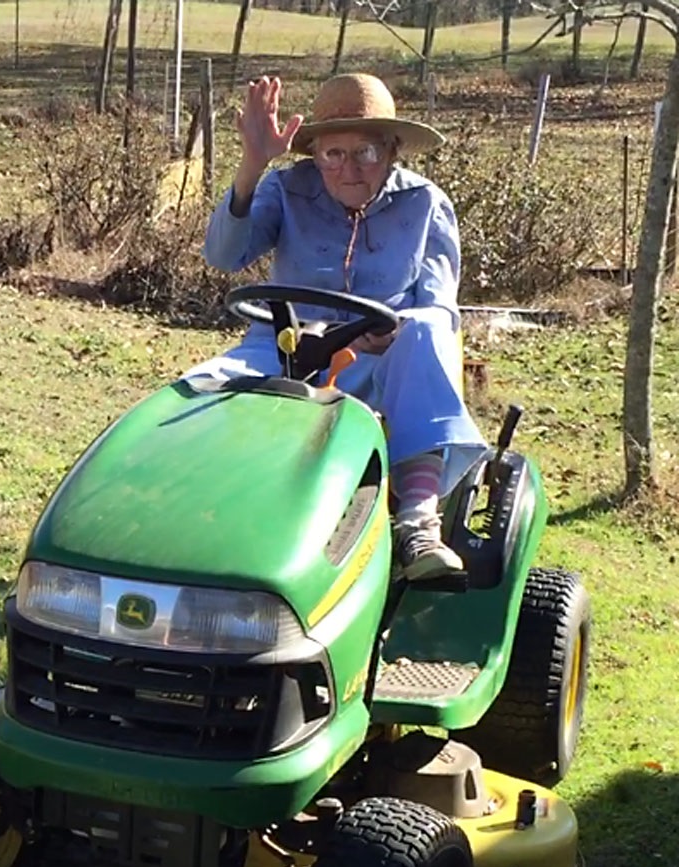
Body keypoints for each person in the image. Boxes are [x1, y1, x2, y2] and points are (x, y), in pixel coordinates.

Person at [189, 72, 489, 581]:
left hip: (383, 364)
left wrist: (396, 327)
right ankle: (192, 523)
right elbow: (224, 255)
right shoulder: (284, 189)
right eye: (333, 154)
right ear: (315, 154)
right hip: (284, 348)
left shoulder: (425, 204)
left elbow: (440, 309)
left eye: (366, 152)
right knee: (196, 392)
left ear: (392, 151)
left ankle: (417, 522)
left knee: (424, 333)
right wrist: (253, 165)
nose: (349, 169)